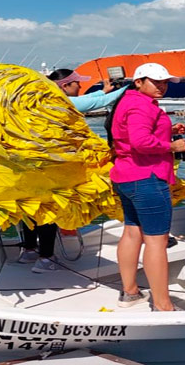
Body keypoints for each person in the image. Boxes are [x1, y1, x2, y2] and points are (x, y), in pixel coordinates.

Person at [18, 69, 129, 273]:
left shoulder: (41, 96)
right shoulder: (56, 100)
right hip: (52, 166)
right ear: (64, 86)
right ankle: (45, 258)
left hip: (33, 164)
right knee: (52, 208)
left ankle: (29, 250)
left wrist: (102, 91)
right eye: (77, 83)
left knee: (32, 207)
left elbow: (86, 100)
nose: (80, 86)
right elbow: (92, 104)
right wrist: (130, 88)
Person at [110, 63, 185, 311]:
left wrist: (168, 130)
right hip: (147, 177)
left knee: (132, 232)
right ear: (139, 82)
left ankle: (130, 292)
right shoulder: (141, 105)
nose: (162, 86)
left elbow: (132, 135)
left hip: (126, 176)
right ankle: (163, 304)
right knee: (156, 240)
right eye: (156, 81)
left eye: (164, 82)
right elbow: (141, 141)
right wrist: (171, 147)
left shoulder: (130, 102)